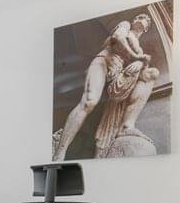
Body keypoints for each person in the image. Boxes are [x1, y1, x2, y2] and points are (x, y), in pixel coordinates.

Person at [53, 13, 153, 161]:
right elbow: (118, 37)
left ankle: (127, 125)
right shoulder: (125, 25)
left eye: (145, 19)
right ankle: (60, 152)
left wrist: (140, 63)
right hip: (104, 62)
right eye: (138, 17)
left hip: (117, 75)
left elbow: (143, 65)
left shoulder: (140, 49)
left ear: (146, 29)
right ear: (133, 20)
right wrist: (137, 57)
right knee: (89, 101)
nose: (140, 19)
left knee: (152, 74)